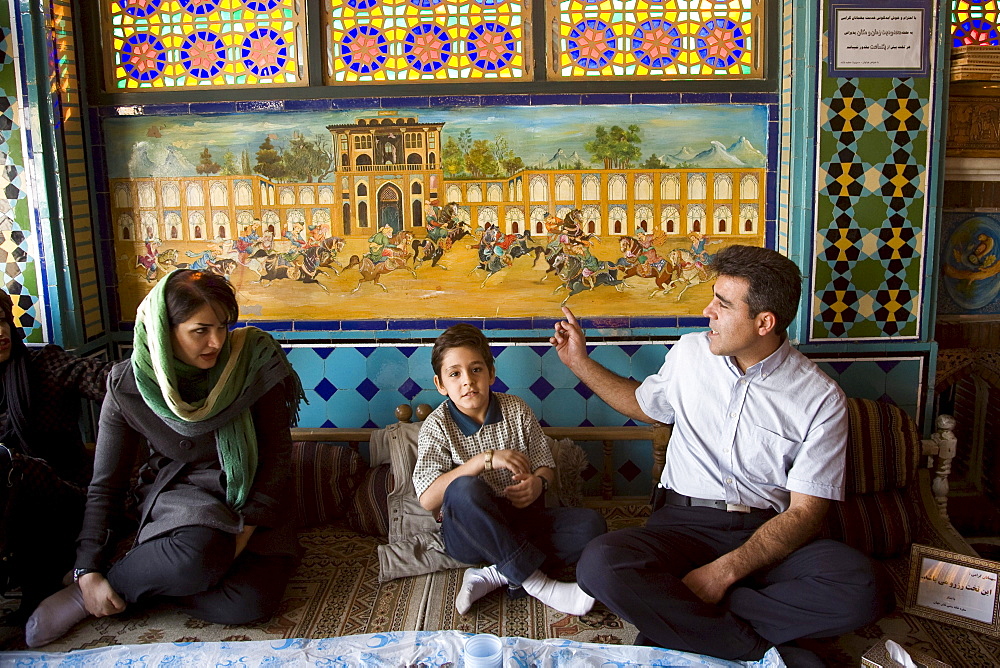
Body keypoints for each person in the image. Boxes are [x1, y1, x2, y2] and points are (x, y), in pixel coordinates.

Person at [550, 245, 893, 661]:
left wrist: (722, 573)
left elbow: (804, 514)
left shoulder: (820, 399)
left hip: (765, 536)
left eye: (723, 304)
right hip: (681, 525)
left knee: (865, 587)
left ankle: (681, 624)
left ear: (764, 322)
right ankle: (754, 649)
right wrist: (578, 363)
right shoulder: (691, 353)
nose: (707, 311)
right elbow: (645, 405)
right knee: (599, 564)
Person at [25, 269, 305, 647]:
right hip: (183, 497)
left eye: (223, 326)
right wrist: (87, 568)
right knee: (196, 554)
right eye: (200, 331)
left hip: (254, 500)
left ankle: (136, 587)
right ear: (163, 330)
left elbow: (276, 459)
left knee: (248, 605)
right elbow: (106, 484)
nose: (217, 342)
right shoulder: (129, 385)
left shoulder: (252, 363)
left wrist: (243, 534)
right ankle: (86, 595)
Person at [412, 324, 606, 617]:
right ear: (441, 384)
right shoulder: (437, 425)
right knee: (465, 488)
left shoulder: (516, 409)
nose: (467, 381)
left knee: (592, 527)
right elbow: (427, 499)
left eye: (476, 369)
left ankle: (492, 575)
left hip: (521, 521)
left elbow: (545, 465)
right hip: (469, 535)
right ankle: (539, 583)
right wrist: (480, 462)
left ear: (490, 373)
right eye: (455, 374)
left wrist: (538, 484)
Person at [0, 290, 112, 621]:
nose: (0, 332)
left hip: (66, 495)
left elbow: (102, 377)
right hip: (8, 511)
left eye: (2, 320)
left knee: (5, 465)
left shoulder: (43, 364)